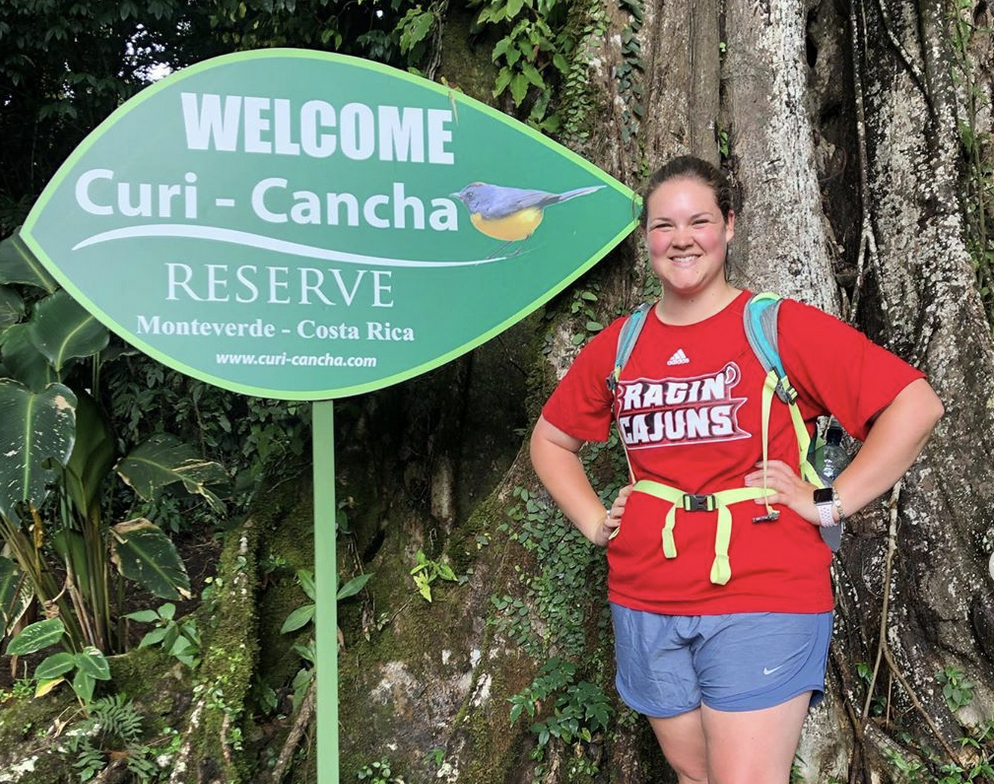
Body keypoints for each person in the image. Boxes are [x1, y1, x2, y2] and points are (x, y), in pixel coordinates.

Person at [529, 155, 943, 784]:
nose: (681, 238)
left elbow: (914, 405)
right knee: (695, 775)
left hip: (762, 588)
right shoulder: (622, 343)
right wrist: (594, 521)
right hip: (646, 591)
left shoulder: (776, 327)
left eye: (699, 220)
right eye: (663, 225)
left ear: (728, 225)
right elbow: (552, 440)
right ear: (646, 240)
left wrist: (828, 500)